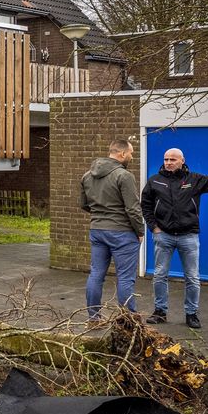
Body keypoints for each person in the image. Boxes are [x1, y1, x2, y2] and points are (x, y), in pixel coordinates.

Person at [141, 147, 208, 328]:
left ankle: (191, 314)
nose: (168, 162)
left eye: (172, 159)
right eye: (166, 159)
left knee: (192, 277)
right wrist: (154, 227)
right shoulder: (155, 181)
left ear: (182, 160)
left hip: (188, 236)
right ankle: (160, 312)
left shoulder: (194, 180)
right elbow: (145, 205)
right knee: (159, 275)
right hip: (163, 236)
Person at [80, 138, 145, 325]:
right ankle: (128, 321)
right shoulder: (124, 176)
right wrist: (140, 230)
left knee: (96, 274)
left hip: (97, 230)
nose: (132, 156)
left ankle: (93, 318)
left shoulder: (87, 176)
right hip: (122, 233)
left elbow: (84, 204)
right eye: (131, 153)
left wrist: (101, 215)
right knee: (125, 277)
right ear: (122, 153)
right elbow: (132, 209)